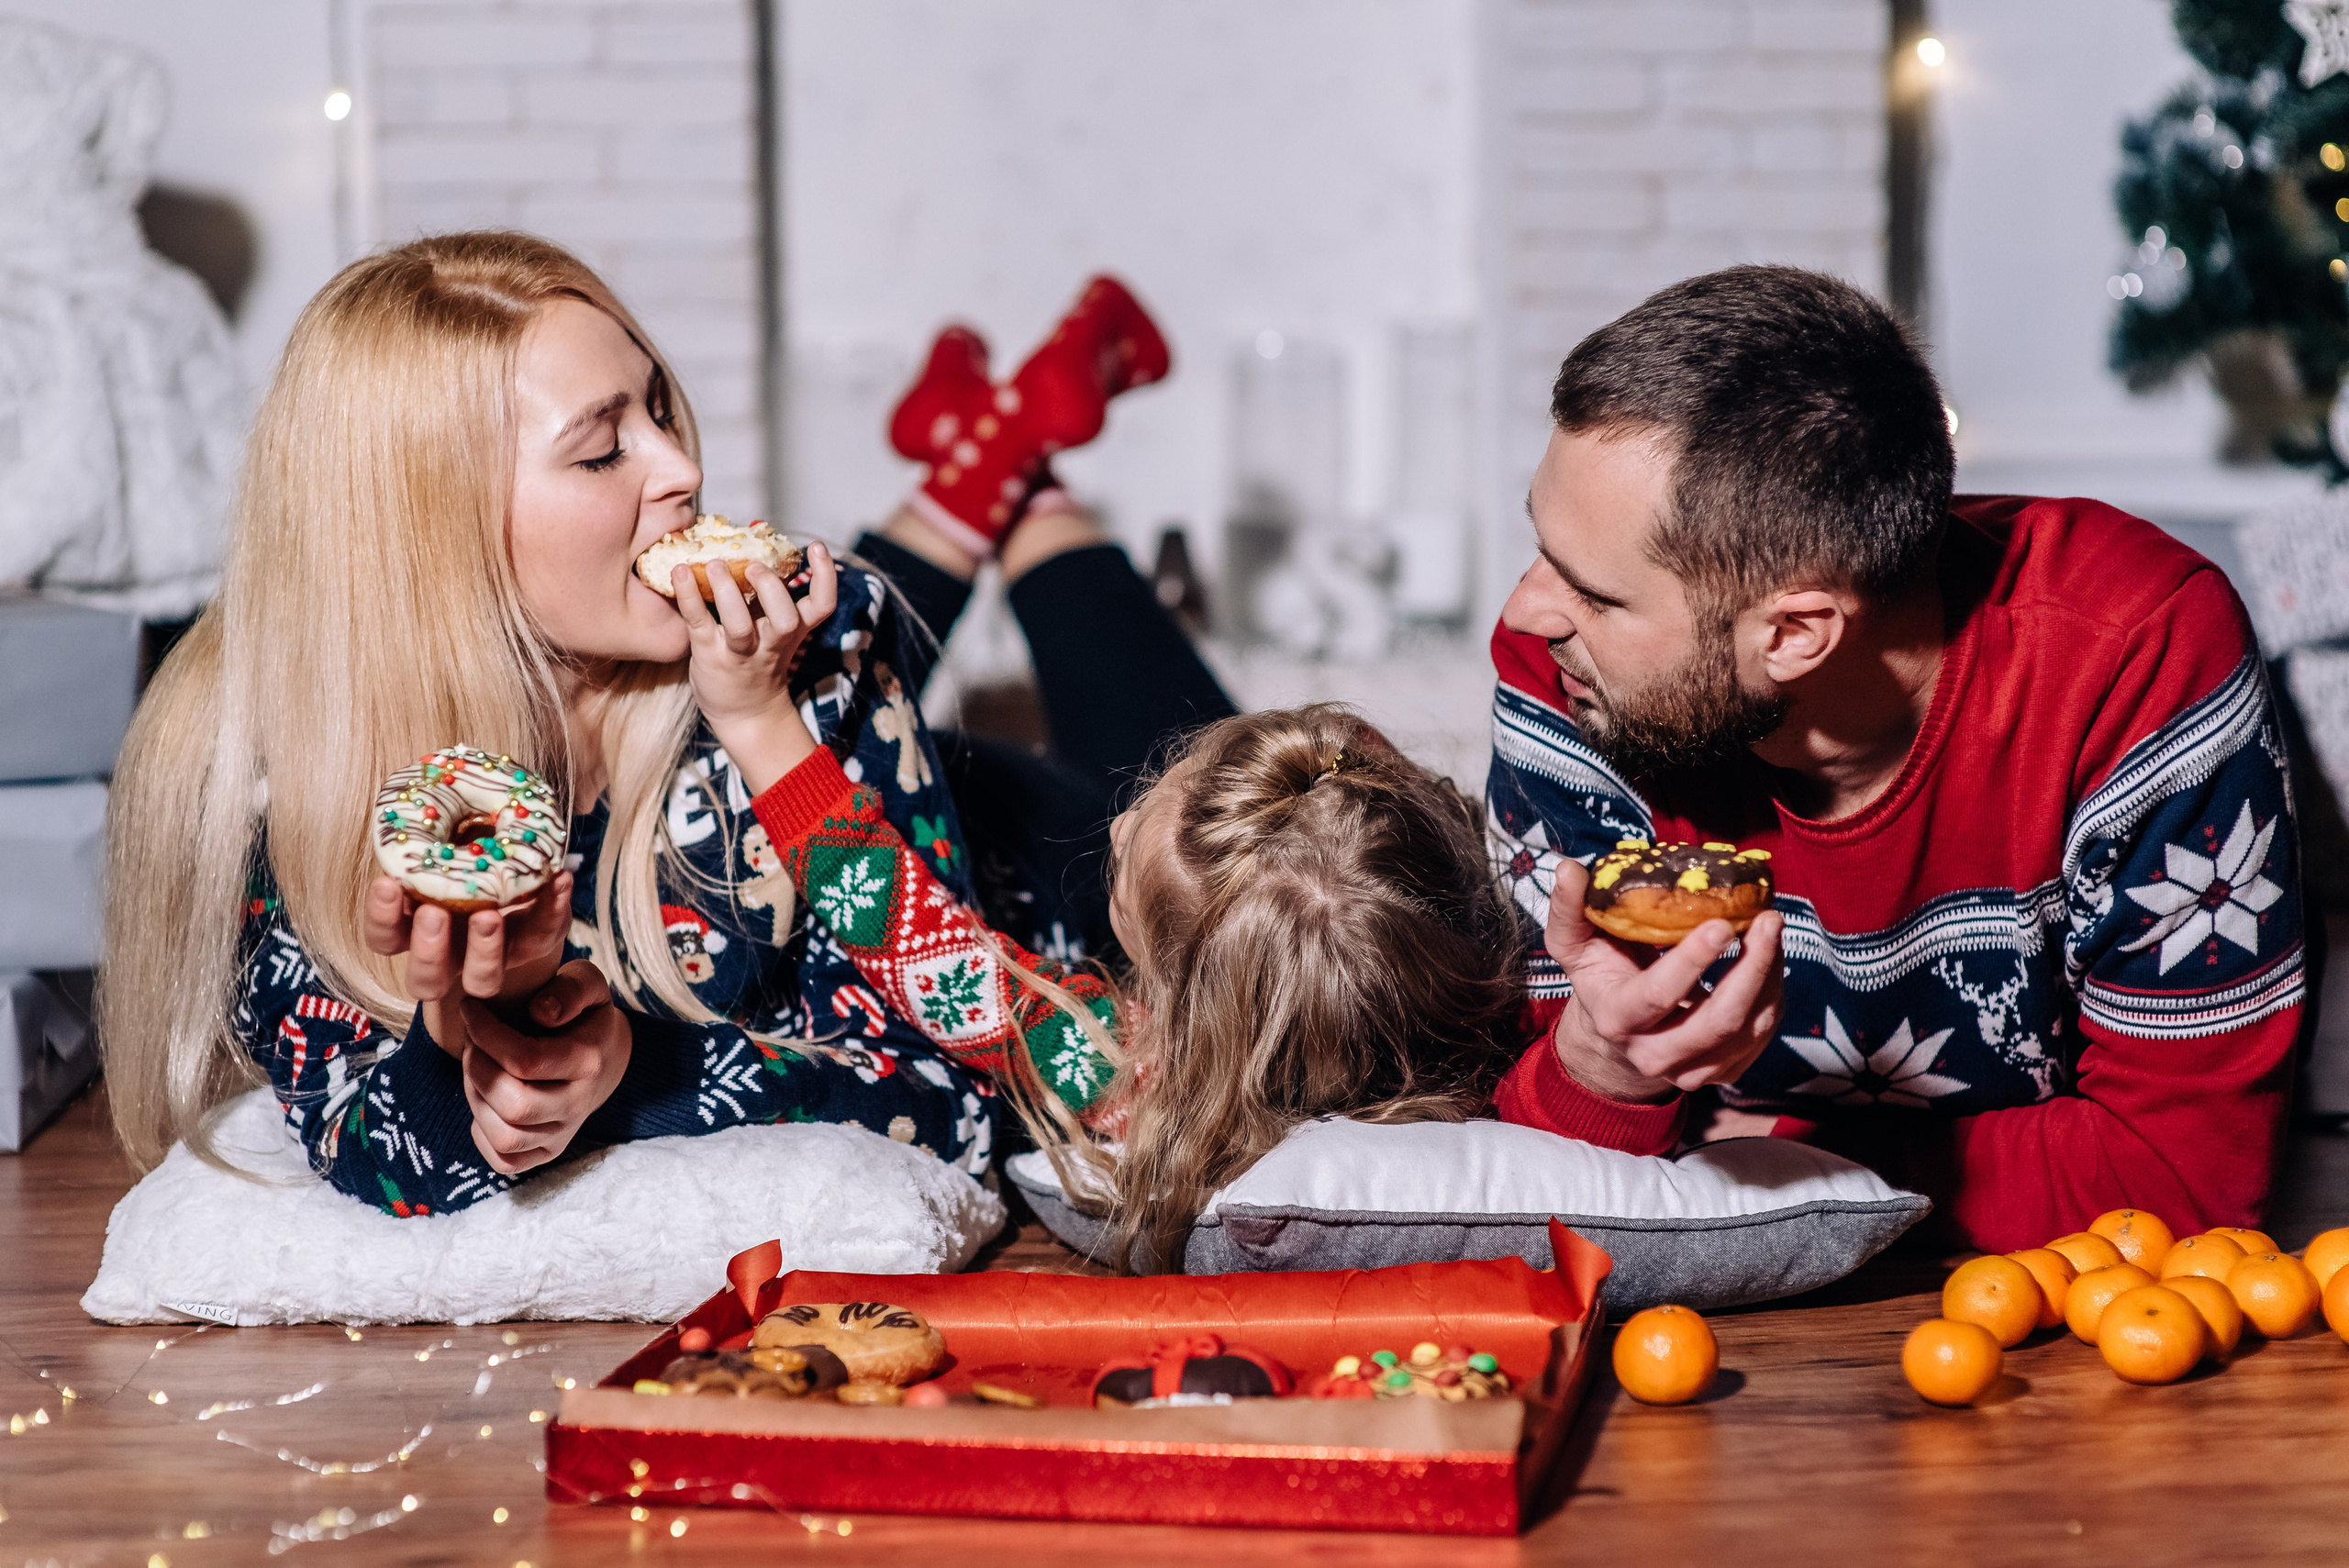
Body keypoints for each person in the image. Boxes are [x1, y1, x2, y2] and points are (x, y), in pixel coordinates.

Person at [101, 232, 1137, 1215]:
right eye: (602, 451)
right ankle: (1007, 447)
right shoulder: (289, 780)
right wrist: (473, 1049)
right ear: (438, 541)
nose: (682, 469)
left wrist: (636, 1071)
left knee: (1183, 765)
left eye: (658, 408)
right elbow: (369, 1139)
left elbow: (960, 1099)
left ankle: (1011, 455)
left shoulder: (801, 671)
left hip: (1068, 860)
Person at [1485, 265, 2305, 1251]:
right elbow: (1517, 1195)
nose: (1528, 610)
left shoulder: (2134, 656)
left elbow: (2182, 1183)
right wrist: (1603, 1068)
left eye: (1596, 594)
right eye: (1542, 548)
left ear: (1793, 633)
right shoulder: (1568, 678)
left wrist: (1781, 1156)